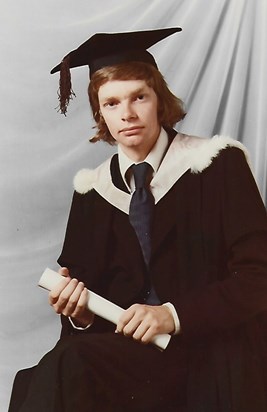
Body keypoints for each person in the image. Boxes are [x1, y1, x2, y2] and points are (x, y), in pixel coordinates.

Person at [9, 27, 267, 412]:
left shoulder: (216, 166)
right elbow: (86, 316)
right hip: (134, 359)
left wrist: (172, 316)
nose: (126, 114)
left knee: (64, 371)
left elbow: (258, 277)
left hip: (211, 347)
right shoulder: (92, 194)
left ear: (159, 101)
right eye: (111, 104)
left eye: (138, 98)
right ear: (100, 114)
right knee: (39, 376)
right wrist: (79, 314)